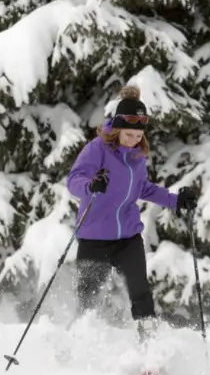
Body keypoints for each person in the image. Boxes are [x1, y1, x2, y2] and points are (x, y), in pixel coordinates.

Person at [66, 85, 198, 341]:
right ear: (115, 129)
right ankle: (75, 343)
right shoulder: (97, 149)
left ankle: (148, 340)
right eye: (128, 134)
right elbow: (74, 180)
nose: (134, 140)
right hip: (94, 238)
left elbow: (143, 189)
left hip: (127, 237)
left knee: (140, 291)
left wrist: (176, 201)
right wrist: (91, 186)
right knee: (87, 298)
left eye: (138, 136)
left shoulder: (137, 156)